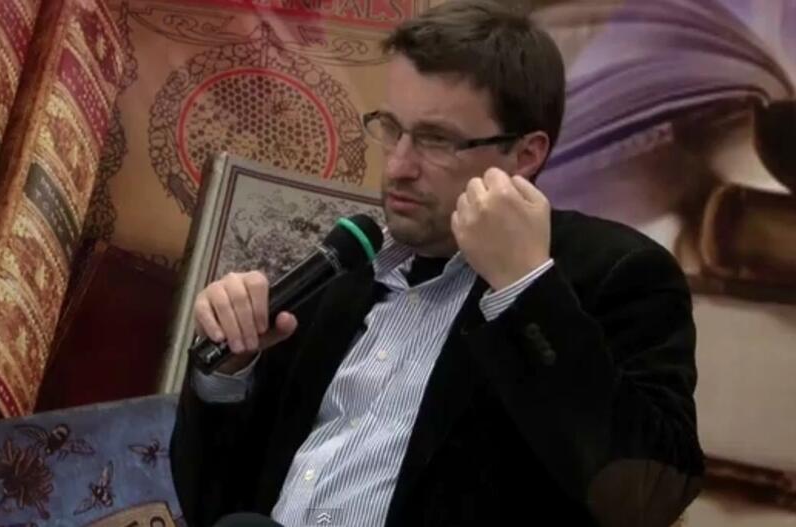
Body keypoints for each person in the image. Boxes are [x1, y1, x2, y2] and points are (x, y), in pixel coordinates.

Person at [170, 1, 705, 525]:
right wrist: (230, 374)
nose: (399, 166)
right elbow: (212, 502)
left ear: (526, 154)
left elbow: (645, 500)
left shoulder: (617, 274)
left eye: (435, 140)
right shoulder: (346, 269)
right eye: (391, 128)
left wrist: (524, 288)